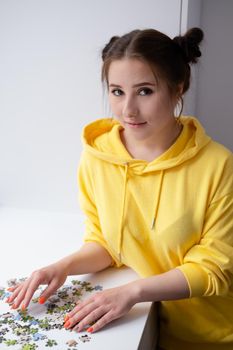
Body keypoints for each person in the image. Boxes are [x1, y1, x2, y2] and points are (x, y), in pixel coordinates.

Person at [7, 27, 233, 349]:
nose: (128, 109)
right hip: (139, 327)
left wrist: (133, 292)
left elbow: (214, 270)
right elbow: (106, 242)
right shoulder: (97, 157)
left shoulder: (219, 166)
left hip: (207, 336)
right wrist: (62, 267)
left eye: (144, 91)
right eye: (116, 91)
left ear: (177, 88)